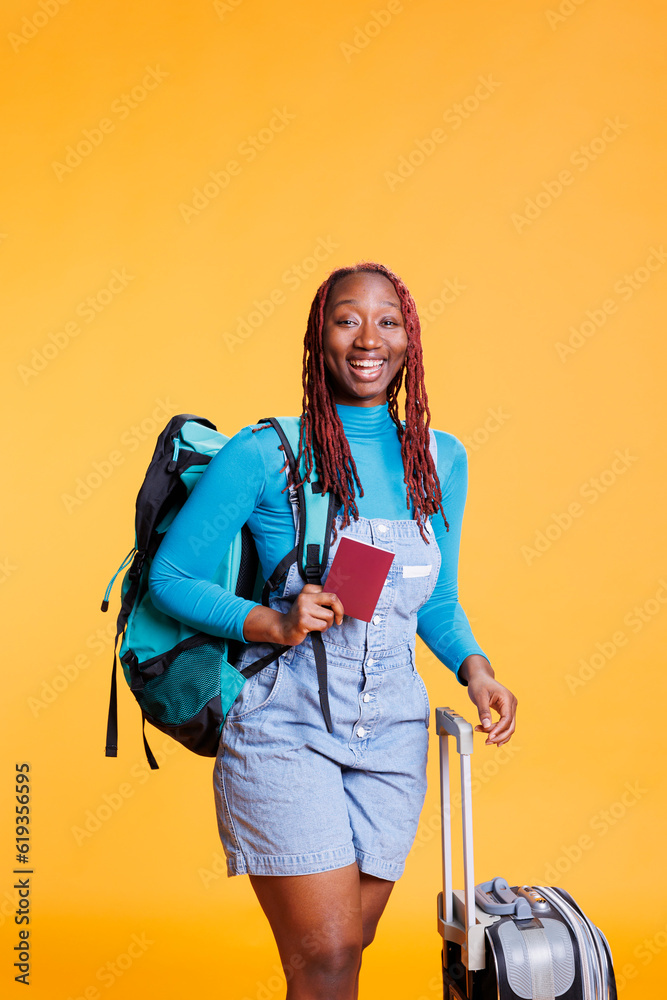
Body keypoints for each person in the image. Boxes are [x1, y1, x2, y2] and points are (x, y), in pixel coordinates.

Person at [148, 261, 517, 1000]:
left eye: (387, 322)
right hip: (284, 727)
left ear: (408, 341)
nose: (367, 339)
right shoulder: (264, 453)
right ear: (319, 339)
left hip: (392, 736)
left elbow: (435, 597)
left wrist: (474, 667)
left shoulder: (438, 458)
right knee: (326, 952)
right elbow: (170, 578)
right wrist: (272, 620)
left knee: (348, 948)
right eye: (347, 319)